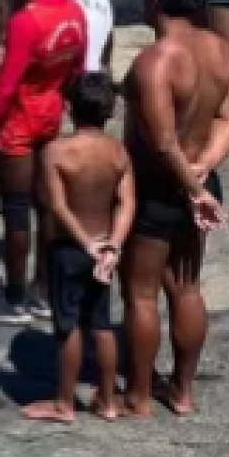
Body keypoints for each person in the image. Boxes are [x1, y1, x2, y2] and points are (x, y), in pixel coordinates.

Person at [121, 0, 229, 418]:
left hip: (158, 189)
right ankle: (183, 391)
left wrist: (193, 186)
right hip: (200, 182)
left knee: (140, 293)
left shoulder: (154, 62)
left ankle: (138, 394)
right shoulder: (222, 50)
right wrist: (205, 171)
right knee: (187, 287)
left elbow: (163, 143)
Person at [0, 0, 90, 326]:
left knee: (17, 211)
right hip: (51, 115)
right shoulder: (73, 10)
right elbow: (78, 67)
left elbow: (5, 87)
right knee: (49, 205)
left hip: (19, 123)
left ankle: (15, 297)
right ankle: (43, 290)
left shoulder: (26, 21)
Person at [25, 74, 135, 424]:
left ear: (69, 107)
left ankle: (64, 403)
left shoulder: (56, 152)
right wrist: (112, 246)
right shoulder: (118, 152)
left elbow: (58, 206)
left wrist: (85, 244)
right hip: (104, 248)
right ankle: (107, 400)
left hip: (71, 248)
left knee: (68, 325)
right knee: (101, 323)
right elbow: (127, 203)